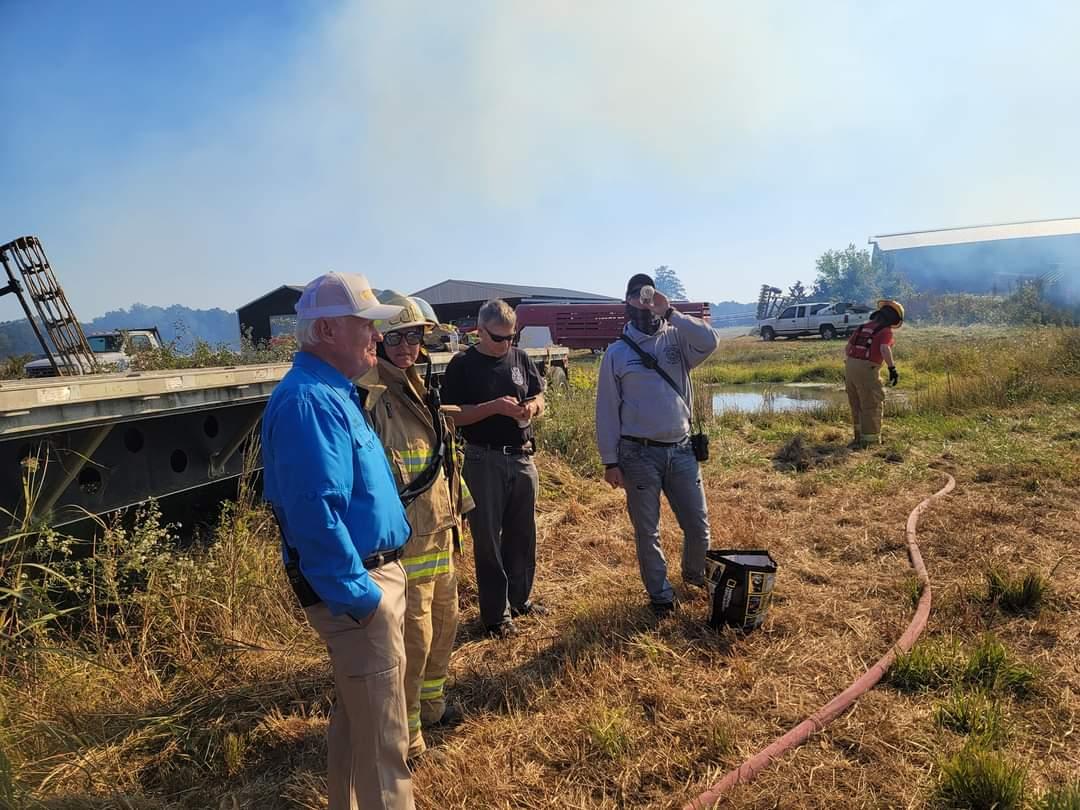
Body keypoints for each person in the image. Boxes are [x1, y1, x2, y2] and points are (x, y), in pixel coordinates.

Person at [261, 271, 415, 810]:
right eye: (365, 326)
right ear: (326, 330)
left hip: (368, 581)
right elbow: (314, 516)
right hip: (360, 590)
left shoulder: (330, 393)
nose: (377, 336)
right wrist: (362, 600)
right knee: (385, 745)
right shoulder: (310, 402)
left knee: (359, 726)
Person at [358, 292, 473, 760]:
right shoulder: (373, 396)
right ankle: (409, 736)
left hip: (441, 527)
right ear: (379, 339)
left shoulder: (418, 386)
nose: (406, 345)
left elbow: (443, 461)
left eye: (415, 336)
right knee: (415, 635)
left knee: (445, 624)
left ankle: (432, 706)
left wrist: (461, 508)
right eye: (397, 336)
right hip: (407, 540)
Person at [595, 273, 723, 615]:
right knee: (647, 531)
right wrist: (610, 461)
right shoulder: (617, 354)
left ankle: (695, 579)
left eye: (649, 297)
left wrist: (672, 312)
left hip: (681, 450)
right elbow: (607, 410)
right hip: (637, 454)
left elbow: (711, 341)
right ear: (626, 304)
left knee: (697, 526)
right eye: (636, 298)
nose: (644, 304)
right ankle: (661, 597)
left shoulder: (677, 341)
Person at [440, 299, 546, 638]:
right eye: (499, 338)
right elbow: (450, 414)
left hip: (522, 456)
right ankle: (496, 617)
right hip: (483, 459)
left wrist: (531, 408)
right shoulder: (464, 365)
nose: (506, 344)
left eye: (511, 337)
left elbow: (540, 396)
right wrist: (493, 408)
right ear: (479, 332)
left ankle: (520, 599)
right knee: (488, 540)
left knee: (523, 534)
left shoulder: (520, 358)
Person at [844, 299, 903, 448]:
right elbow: (884, 349)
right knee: (871, 404)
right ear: (892, 319)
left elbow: (847, 347)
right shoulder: (885, 331)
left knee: (856, 403)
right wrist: (892, 368)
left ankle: (858, 437)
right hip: (867, 368)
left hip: (850, 366)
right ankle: (870, 443)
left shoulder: (862, 327)